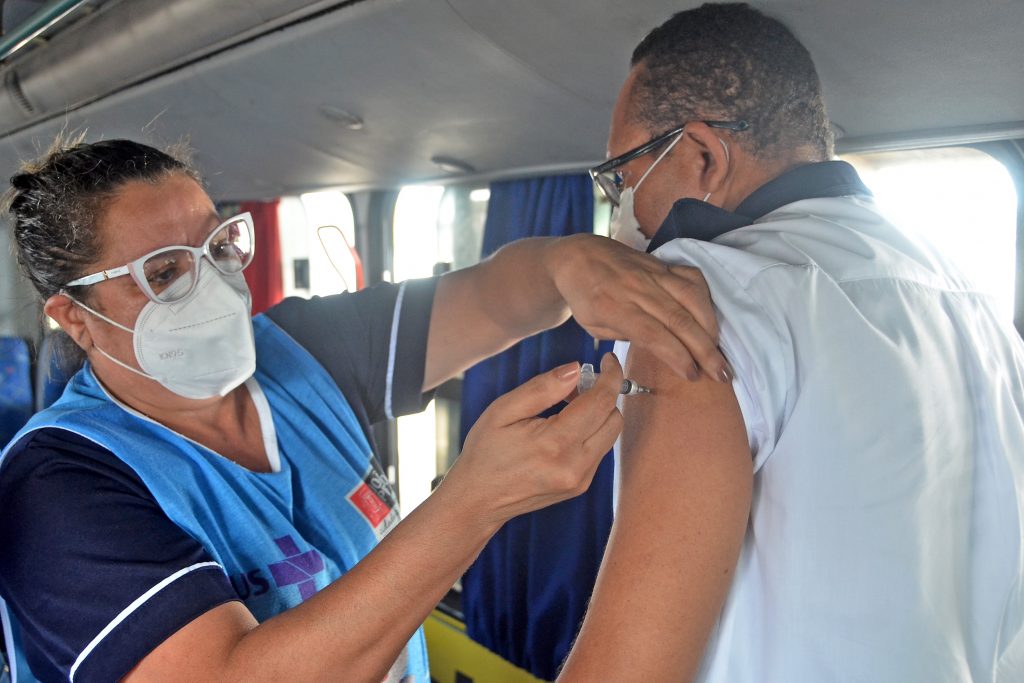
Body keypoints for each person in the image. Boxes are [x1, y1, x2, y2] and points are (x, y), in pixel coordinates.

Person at [0, 136, 728, 682]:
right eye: (164, 273)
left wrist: (567, 264)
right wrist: (473, 502)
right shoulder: (58, 485)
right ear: (75, 316)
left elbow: (495, 296)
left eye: (219, 248)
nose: (215, 287)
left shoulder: (298, 350)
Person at [559, 4, 1024, 682]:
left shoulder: (696, 306)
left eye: (626, 178)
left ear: (702, 156)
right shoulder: (976, 302)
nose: (624, 212)